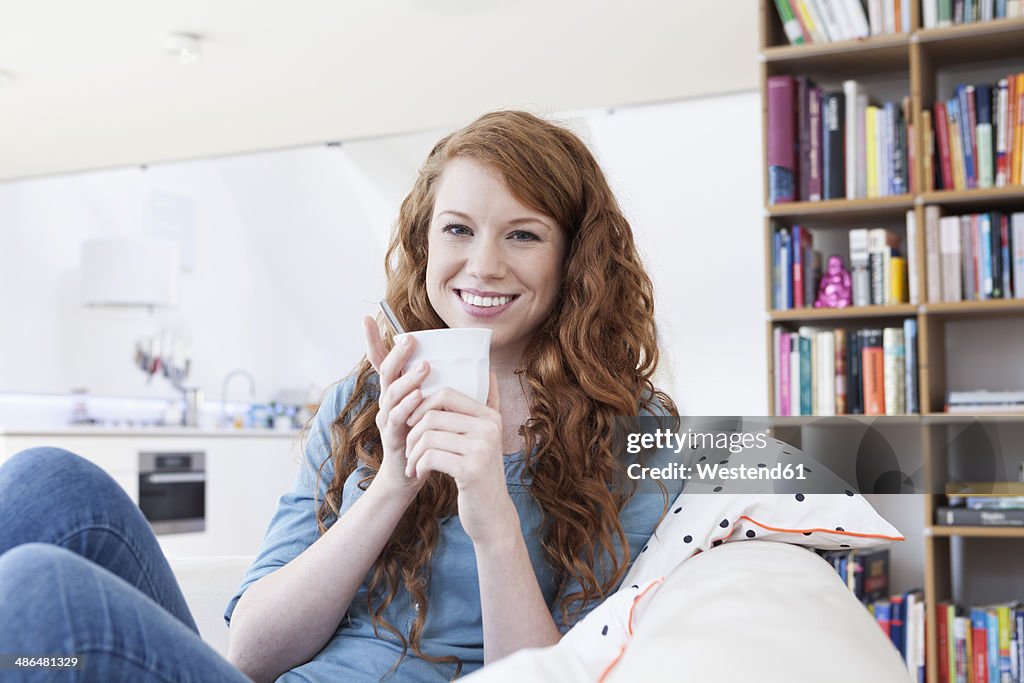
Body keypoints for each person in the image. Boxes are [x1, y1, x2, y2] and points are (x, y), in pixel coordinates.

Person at [0, 110, 679, 682]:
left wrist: (492, 515)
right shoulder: (359, 401)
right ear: (424, 240)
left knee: (40, 593)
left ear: (574, 258)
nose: (483, 264)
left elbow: (552, 674)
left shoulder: (635, 432)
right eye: (458, 229)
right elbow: (253, 655)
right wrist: (392, 482)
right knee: (45, 481)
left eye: (523, 234)